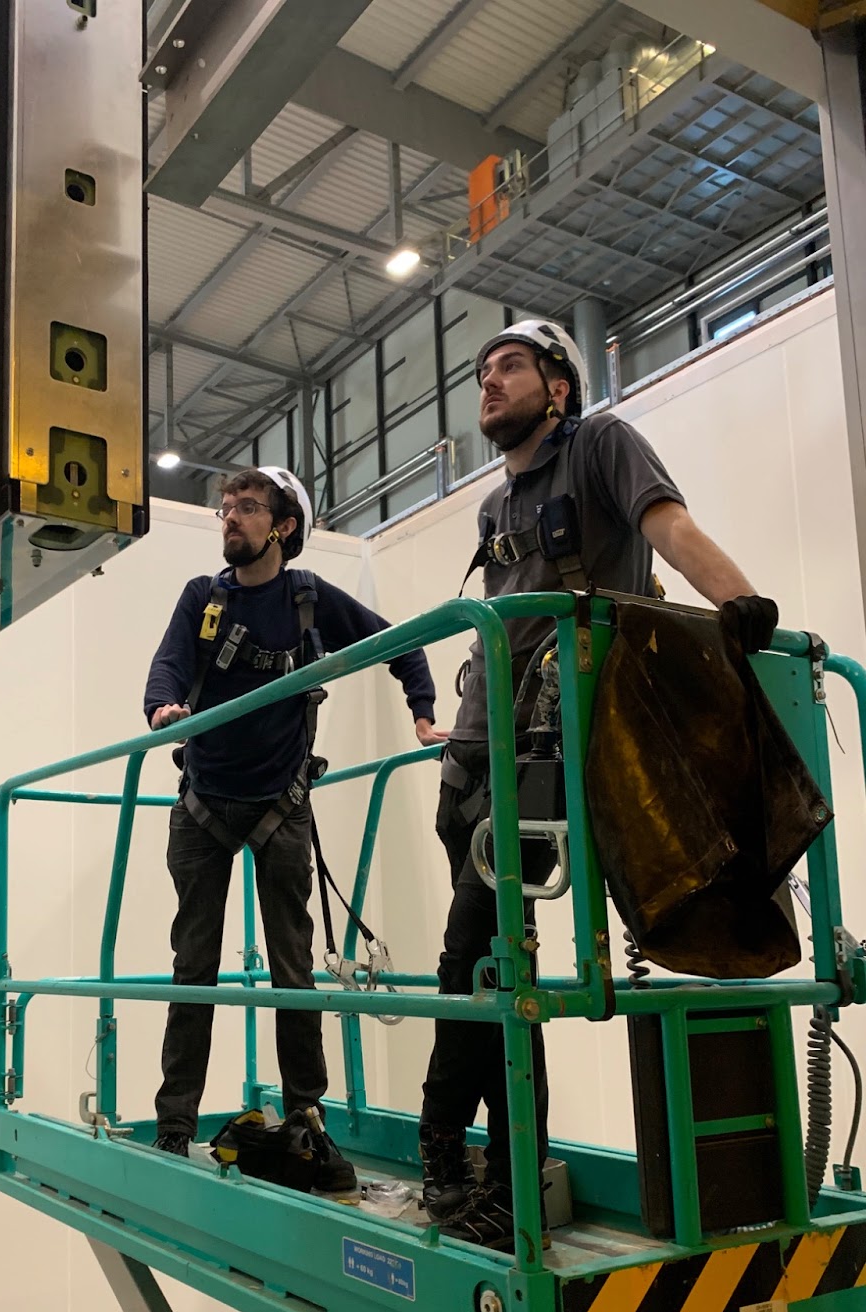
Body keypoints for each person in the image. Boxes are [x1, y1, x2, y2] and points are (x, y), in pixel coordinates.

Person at [419, 319, 778, 1250]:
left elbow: (668, 525)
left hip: (545, 746)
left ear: (560, 386)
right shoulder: (495, 506)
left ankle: (471, 1161)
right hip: (475, 747)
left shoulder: (601, 445)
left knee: (480, 960)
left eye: (510, 367)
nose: (490, 381)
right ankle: (479, 1166)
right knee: (486, 968)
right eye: (483, 371)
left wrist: (738, 597)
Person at [145, 466, 443, 1199]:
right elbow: (168, 666)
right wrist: (161, 708)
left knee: (294, 970)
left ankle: (308, 1115)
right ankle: (174, 1124)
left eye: (247, 507)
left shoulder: (309, 600)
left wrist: (423, 711)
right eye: (225, 507)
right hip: (204, 805)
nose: (229, 517)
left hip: (280, 804)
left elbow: (400, 641)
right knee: (193, 967)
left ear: (283, 527)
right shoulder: (202, 598)